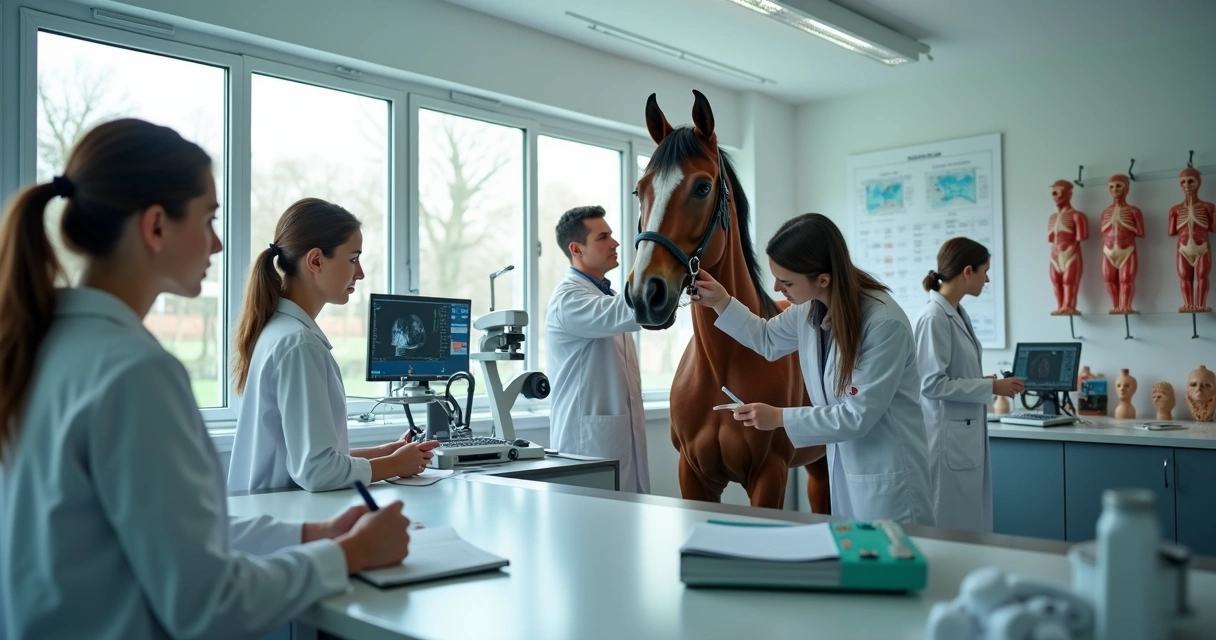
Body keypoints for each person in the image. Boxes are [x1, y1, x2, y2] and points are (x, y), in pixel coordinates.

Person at [0, 119, 410, 639]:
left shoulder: (42, 344)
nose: (217, 245)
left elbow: (174, 532)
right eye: (208, 219)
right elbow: (207, 604)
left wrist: (316, 533)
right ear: (155, 227)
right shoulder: (134, 372)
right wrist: (347, 555)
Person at [692, 213, 933, 525]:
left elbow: (856, 415)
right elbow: (766, 338)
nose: (778, 288)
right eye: (777, 278)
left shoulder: (883, 323)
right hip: (847, 472)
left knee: (893, 569)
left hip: (890, 481)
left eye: (787, 281)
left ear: (823, 279)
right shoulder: (808, 310)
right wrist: (722, 301)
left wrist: (778, 417)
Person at [228, 198, 438, 493]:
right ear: (315, 261)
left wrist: (388, 452)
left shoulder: (282, 332)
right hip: (286, 521)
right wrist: (393, 465)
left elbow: (313, 459)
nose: (360, 272)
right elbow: (317, 471)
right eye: (353, 259)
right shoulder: (298, 345)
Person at [915, 238, 1024, 533]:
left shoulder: (956, 313)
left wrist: (988, 383)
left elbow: (952, 375)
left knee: (968, 520)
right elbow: (931, 384)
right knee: (947, 522)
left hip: (962, 436)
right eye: (984, 271)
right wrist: (991, 389)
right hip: (944, 440)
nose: (987, 279)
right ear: (967, 271)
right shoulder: (934, 318)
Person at [545, 205, 648, 493]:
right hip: (587, 443)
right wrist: (661, 268)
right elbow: (629, 310)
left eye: (612, 235)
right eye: (603, 237)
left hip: (615, 438)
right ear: (576, 249)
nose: (615, 243)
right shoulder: (569, 300)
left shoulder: (607, 296)